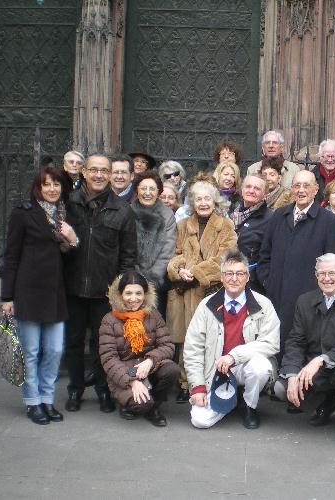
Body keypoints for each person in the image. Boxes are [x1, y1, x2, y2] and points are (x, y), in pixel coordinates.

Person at [0, 166, 78, 425]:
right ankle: (33, 402)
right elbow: (11, 256)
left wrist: (72, 239)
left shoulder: (66, 215)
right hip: (29, 292)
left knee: (55, 350)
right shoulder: (24, 214)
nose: (52, 189)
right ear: (38, 188)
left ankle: (47, 398)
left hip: (56, 293)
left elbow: (72, 256)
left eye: (56, 184)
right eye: (47, 184)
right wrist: (7, 297)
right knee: (31, 351)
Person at [274, 254, 335, 449]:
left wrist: (323, 359)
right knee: (281, 388)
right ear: (315, 275)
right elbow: (295, 341)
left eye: (332, 273)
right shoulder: (304, 301)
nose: (326, 278)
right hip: (316, 370)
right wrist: (292, 373)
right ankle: (327, 401)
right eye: (322, 273)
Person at [63, 153, 137, 413]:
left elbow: (128, 256)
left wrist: (120, 290)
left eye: (103, 171)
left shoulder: (122, 209)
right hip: (72, 287)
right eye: (93, 170)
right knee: (73, 342)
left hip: (104, 291)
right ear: (83, 171)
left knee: (102, 344)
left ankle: (104, 390)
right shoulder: (68, 204)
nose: (98, 175)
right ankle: (75, 389)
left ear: (109, 175)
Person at [184, 249, 280, 429]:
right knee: (200, 420)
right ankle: (231, 399)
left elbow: (270, 343)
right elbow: (193, 349)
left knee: (261, 366)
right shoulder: (207, 305)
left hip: (245, 366)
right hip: (216, 370)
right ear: (221, 277)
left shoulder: (263, 304)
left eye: (240, 273)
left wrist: (234, 356)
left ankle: (249, 406)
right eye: (229, 273)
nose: (234, 278)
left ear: (247, 277)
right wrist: (197, 387)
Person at [165, 181, 237, 403]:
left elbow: (226, 258)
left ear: (215, 201)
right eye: (198, 199)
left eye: (207, 198)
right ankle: (187, 383)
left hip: (210, 292)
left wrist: (195, 271)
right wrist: (179, 270)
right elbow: (174, 254)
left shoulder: (225, 226)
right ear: (192, 202)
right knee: (187, 339)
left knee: (211, 340)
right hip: (184, 292)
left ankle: (211, 381)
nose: (203, 203)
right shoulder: (183, 225)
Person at [257, 170, 335, 348]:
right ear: (292, 189)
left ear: (316, 189)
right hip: (277, 297)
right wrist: (269, 281)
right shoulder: (278, 216)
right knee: (276, 347)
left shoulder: (329, 221)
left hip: (311, 302)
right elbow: (264, 255)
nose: (301, 190)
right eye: (297, 185)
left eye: (306, 186)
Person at [98, 271, 179, 427]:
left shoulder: (153, 315)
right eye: (128, 293)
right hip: (124, 373)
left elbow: (167, 345)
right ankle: (139, 403)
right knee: (140, 405)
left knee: (172, 370)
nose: (133, 298)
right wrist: (132, 382)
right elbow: (108, 359)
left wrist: (150, 361)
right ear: (120, 294)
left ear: (145, 295)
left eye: (138, 293)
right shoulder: (109, 320)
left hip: (148, 367)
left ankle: (153, 408)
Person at [130, 170, 176, 317]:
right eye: (143, 188)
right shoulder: (127, 212)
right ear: (137, 190)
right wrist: (134, 276)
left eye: (152, 189)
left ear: (158, 192)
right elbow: (125, 247)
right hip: (130, 281)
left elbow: (167, 249)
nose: (147, 193)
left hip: (157, 283)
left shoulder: (167, 215)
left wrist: (152, 278)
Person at [230, 175, 272, 292]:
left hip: (252, 282)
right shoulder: (229, 212)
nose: (251, 191)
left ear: (265, 194)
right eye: (248, 186)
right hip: (226, 277)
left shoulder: (271, 219)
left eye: (257, 188)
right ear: (242, 190)